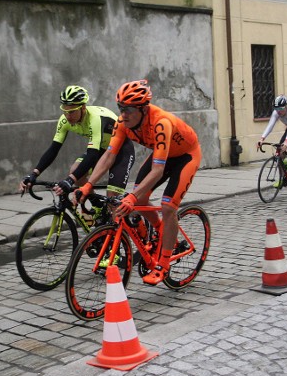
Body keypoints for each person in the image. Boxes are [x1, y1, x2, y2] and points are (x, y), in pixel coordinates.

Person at [75, 79, 201, 286]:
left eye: (128, 110)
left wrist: (131, 198)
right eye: (120, 108)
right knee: (141, 196)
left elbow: (158, 170)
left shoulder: (161, 123)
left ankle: (163, 264)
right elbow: (108, 157)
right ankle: (161, 231)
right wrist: (87, 186)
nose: (123, 114)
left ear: (143, 109)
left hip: (186, 156)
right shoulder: (123, 123)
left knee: (169, 206)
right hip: (164, 155)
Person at [19, 85, 135, 221]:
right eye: (65, 111)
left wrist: (69, 181)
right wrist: (34, 174)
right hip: (103, 149)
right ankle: (97, 206)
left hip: (121, 151)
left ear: (83, 108)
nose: (68, 116)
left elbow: (92, 155)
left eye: (72, 112)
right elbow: (54, 149)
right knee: (75, 170)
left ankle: (116, 238)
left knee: (112, 200)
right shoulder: (64, 120)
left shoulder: (95, 119)